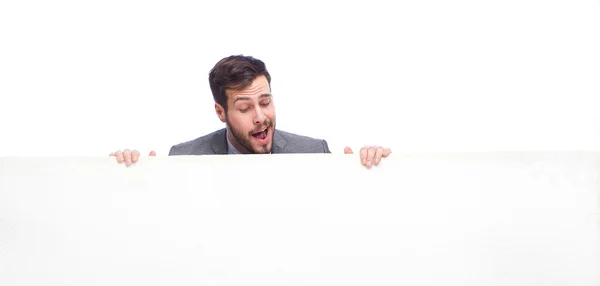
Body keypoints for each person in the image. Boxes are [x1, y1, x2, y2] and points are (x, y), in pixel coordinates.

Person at [110, 55, 392, 168]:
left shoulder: (314, 153)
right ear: (221, 112)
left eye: (266, 102)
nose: (260, 116)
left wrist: (367, 169)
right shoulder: (184, 159)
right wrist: (128, 175)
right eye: (245, 108)